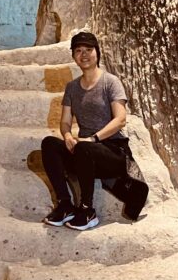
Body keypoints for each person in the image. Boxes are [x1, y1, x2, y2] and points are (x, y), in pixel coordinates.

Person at [41, 31, 148, 230]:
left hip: (113, 152)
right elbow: (65, 122)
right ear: (73, 56)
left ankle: (87, 210)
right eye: (78, 50)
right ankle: (65, 205)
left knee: (83, 147)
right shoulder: (72, 87)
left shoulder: (110, 82)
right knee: (49, 144)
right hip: (85, 153)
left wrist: (92, 139)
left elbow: (120, 120)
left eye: (89, 49)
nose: (84, 54)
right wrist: (67, 137)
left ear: (97, 52)